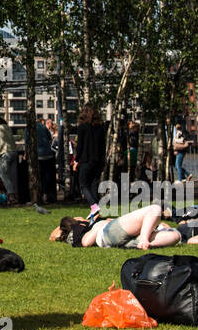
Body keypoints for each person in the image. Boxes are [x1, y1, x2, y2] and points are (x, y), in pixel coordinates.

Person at [52, 204, 182, 249]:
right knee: (155, 208)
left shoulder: (79, 229)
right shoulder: (77, 230)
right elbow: (86, 242)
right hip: (107, 232)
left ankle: (143, 241)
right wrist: (100, 224)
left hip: (116, 238)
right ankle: (144, 238)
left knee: (175, 235)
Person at [72, 105, 108, 207]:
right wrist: (103, 161)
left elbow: (80, 146)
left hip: (86, 160)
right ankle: (96, 208)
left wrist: (76, 160)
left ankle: (93, 205)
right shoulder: (100, 127)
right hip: (98, 160)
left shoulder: (82, 127)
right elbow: (103, 146)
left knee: (83, 184)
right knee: (94, 185)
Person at [0, 121, 18, 204]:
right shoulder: (7, 127)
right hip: (14, 152)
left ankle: (11, 195)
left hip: (5, 153)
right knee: (13, 175)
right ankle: (16, 196)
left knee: (3, 174)